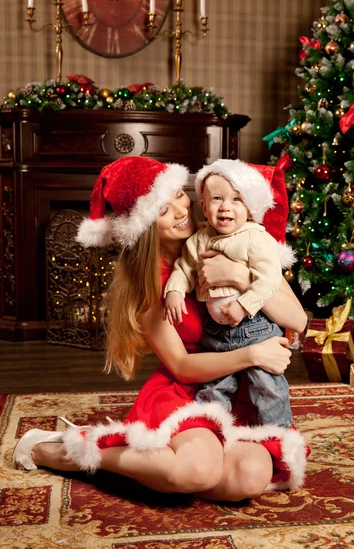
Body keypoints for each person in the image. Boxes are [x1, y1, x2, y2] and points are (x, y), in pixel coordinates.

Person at [13, 155, 309, 502]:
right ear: (145, 226)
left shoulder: (230, 234)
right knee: (198, 470)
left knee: (249, 477)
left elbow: (298, 320)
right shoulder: (150, 283)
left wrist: (239, 275)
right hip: (188, 389)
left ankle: (172, 467)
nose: (181, 211)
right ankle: (72, 449)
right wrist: (252, 354)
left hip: (239, 390)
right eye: (163, 209)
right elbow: (182, 366)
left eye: (180, 196)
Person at [164, 159, 296, 428]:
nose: (226, 206)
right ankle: (217, 430)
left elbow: (267, 279)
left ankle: (277, 433)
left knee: (266, 384)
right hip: (216, 331)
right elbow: (184, 267)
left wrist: (244, 305)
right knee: (213, 387)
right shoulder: (198, 240)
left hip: (255, 326)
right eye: (217, 199)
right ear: (203, 206)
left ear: (249, 208)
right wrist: (175, 290)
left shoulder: (255, 238)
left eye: (236, 199)